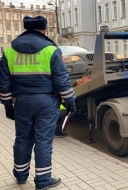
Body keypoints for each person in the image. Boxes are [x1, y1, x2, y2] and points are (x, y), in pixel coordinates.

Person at [0, 16, 76, 190]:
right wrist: (70, 101)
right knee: (43, 141)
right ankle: (42, 181)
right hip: (46, 102)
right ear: (43, 30)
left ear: (26, 29)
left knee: (22, 139)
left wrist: (7, 105)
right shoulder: (51, 50)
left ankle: (20, 175)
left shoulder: (9, 52)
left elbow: (3, 83)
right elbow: (62, 80)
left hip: (22, 102)